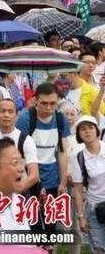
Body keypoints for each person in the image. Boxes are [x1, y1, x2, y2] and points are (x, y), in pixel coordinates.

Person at [15, 82, 70, 236]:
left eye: (52, 103)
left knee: (50, 226)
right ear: (36, 100)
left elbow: (63, 151)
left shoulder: (61, 119)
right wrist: (36, 184)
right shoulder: (25, 119)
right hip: (30, 179)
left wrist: (63, 181)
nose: (48, 107)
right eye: (44, 103)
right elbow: (20, 154)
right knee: (33, 226)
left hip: (53, 178)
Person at [0, 99, 40, 193]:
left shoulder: (26, 140)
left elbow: (34, 175)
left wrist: (14, 190)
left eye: (10, 111)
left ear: (16, 115)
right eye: (2, 111)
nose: (6, 115)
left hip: (19, 195)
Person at [70, 115, 105, 253]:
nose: (87, 131)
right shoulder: (78, 157)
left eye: (91, 128)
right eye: (83, 129)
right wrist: (81, 217)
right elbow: (78, 190)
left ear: (97, 130)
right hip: (95, 208)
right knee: (99, 249)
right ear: (78, 134)